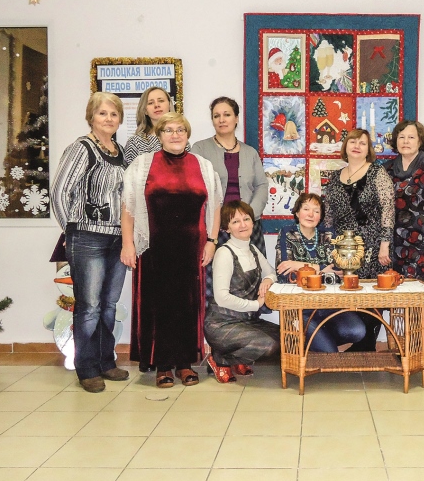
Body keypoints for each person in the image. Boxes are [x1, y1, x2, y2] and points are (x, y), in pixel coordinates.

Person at [121, 112, 222, 388]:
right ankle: (163, 365)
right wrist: (128, 244)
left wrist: (212, 241)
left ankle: (185, 363)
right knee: (159, 307)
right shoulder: (143, 165)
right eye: (168, 130)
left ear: (187, 135)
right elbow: (128, 208)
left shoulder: (203, 165)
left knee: (188, 307)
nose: (175, 134)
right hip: (154, 250)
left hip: (191, 250)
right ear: (159, 135)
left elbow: (215, 206)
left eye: (180, 129)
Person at [51, 92, 130, 393]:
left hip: (117, 238)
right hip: (87, 238)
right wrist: (71, 230)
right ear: (91, 117)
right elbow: (60, 192)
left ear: (120, 119)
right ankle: (86, 368)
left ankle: (106, 361)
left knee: (108, 305)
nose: (108, 118)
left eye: (114, 114)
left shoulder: (120, 152)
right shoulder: (81, 148)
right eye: (102, 113)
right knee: (89, 306)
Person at [385, 121, 424, 370]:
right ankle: (407, 350)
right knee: (404, 296)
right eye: (401, 137)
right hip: (397, 245)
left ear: (420, 140)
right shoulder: (387, 168)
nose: (406, 141)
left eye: (411, 137)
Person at [323, 128, 395, 351]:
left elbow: (388, 209)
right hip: (344, 247)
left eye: (362, 143)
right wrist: (329, 244)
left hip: (372, 245)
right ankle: (360, 342)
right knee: (349, 295)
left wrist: (385, 244)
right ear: (345, 146)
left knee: (370, 297)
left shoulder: (377, 172)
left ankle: (365, 346)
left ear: (368, 149)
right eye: (352, 141)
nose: (357, 146)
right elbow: (328, 214)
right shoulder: (335, 176)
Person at [276, 193, 366, 352]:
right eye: (306, 209)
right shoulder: (287, 233)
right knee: (330, 352)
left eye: (316, 211)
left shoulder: (328, 234)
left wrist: (302, 266)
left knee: (357, 331)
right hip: (300, 309)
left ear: (321, 216)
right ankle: (314, 341)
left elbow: (338, 269)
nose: (311, 214)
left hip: (328, 305)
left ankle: (316, 340)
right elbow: (285, 273)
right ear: (297, 212)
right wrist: (322, 269)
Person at [205, 201, 281, 383]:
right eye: (235, 221)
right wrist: (256, 304)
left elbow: (272, 272)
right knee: (269, 345)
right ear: (227, 228)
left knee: (287, 337)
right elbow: (222, 298)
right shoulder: (224, 253)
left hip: (247, 321)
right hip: (222, 324)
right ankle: (219, 360)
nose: (243, 225)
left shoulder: (253, 249)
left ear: (253, 222)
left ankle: (237, 360)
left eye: (246, 219)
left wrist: (268, 280)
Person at [191, 96, 268, 254]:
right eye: (216, 116)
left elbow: (261, 185)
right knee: (216, 269)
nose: (222, 120)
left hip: (248, 228)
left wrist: (248, 216)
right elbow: (194, 187)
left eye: (227, 114)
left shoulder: (250, 152)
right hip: (214, 228)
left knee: (252, 268)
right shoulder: (200, 149)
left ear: (236, 118)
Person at [122, 86, 174, 166]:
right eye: (150, 103)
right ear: (145, 110)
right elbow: (130, 173)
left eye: (161, 101)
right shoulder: (135, 142)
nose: (156, 105)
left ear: (169, 105)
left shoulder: (180, 138)